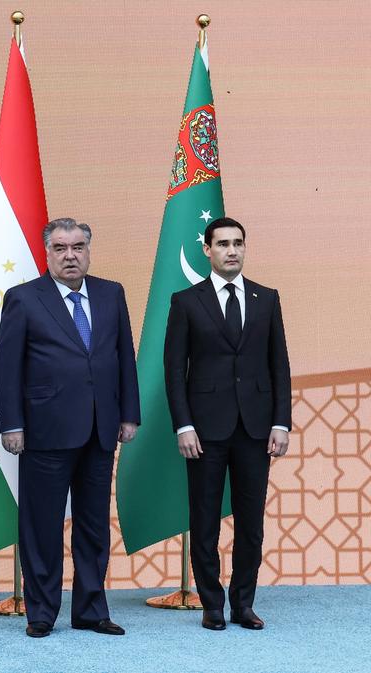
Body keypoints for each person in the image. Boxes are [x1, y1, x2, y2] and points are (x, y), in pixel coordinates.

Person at [0, 218, 139, 638]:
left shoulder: (111, 293)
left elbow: (123, 356)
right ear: (47, 253)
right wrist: (12, 424)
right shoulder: (24, 298)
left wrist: (129, 414)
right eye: (60, 248)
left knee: (94, 526)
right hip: (45, 430)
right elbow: (7, 367)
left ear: (88, 251)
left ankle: (91, 610)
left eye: (78, 247)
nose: (70, 255)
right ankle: (41, 612)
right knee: (42, 526)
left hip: (100, 429)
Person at [164, 216, 290, 631]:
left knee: (251, 523)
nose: (231, 250)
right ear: (207, 250)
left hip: (256, 429)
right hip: (204, 431)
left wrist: (281, 423)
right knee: (204, 522)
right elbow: (174, 370)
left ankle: (243, 604)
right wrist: (183, 426)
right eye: (222, 244)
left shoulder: (266, 298)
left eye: (238, 243)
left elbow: (279, 365)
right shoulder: (186, 302)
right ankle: (212, 605)